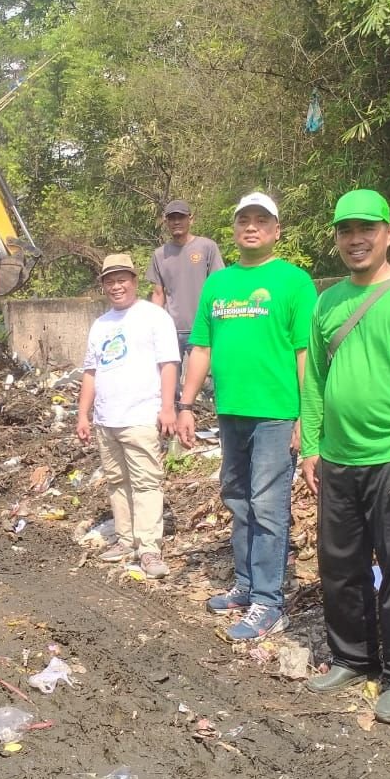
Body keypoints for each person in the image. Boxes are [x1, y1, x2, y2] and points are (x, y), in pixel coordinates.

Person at [299, 189, 390, 724]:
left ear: (389, 232)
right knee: (340, 568)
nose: (355, 239)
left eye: (366, 229)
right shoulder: (328, 301)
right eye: (345, 231)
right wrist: (312, 446)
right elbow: (314, 379)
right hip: (338, 459)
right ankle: (351, 657)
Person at [176, 192, 316, 641]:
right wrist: (184, 405)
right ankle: (247, 584)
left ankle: (270, 604)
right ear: (234, 229)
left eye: (261, 220)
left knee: (269, 506)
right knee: (237, 498)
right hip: (230, 411)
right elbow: (201, 347)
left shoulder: (294, 282)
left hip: (276, 413)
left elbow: (304, 354)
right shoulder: (218, 284)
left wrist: (306, 419)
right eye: (243, 220)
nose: (251, 227)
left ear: (275, 230)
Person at [77, 253, 180, 578]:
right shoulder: (100, 324)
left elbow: (169, 364)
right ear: (104, 286)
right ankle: (125, 540)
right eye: (110, 281)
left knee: (146, 483)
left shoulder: (154, 317)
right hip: (107, 420)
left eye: (122, 279)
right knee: (117, 482)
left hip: (141, 416)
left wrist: (168, 408)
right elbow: (91, 372)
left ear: (135, 282)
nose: (116, 286)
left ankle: (149, 548)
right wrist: (83, 414)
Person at [147, 200, 225, 359]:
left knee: (207, 381)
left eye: (181, 217)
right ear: (166, 221)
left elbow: (218, 286)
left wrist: (218, 322)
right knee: (169, 381)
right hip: (171, 330)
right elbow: (158, 293)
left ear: (191, 219)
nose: (176, 222)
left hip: (202, 328)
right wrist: (155, 326)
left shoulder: (207, 247)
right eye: (172, 218)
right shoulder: (160, 254)